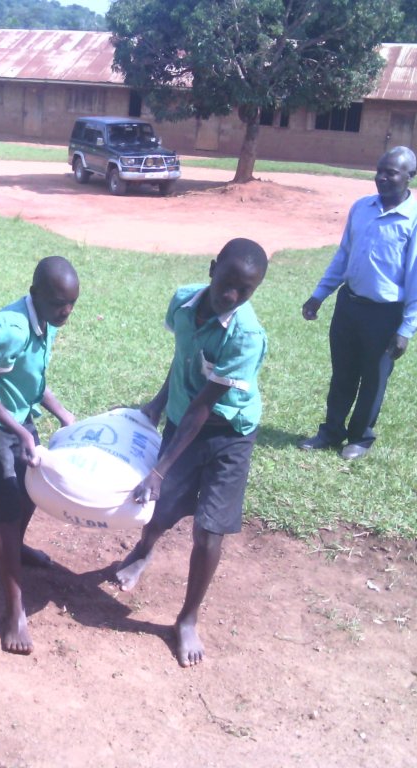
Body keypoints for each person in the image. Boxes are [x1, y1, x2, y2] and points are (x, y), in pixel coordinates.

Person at [114, 238, 269, 668]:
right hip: (184, 420)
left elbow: (206, 405)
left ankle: (187, 618)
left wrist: (160, 469)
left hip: (229, 433)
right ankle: (143, 551)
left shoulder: (246, 336)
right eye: (227, 283)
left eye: (246, 290)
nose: (232, 296)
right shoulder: (183, 303)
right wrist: (158, 403)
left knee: (209, 530)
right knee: (159, 510)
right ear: (212, 267)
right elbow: (183, 358)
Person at [0, 256, 79, 655]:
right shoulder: (8, 331)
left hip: (15, 414)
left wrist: (63, 415)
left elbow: (32, 381)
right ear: (35, 293)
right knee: (7, 506)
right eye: (60, 302)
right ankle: (13, 613)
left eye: (72, 303)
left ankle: (12, 548)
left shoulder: (48, 321)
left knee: (31, 489)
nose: (67, 312)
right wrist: (21, 431)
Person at [298, 146, 417, 460]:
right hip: (349, 306)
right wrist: (319, 294)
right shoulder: (361, 208)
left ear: (410, 177)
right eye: (380, 170)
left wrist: (406, 329)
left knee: (373, 380)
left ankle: (360, 437)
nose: (383, 177)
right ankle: (331, 431)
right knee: (343, 373)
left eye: (392, 172)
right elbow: (343, 256)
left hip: (385, 314)